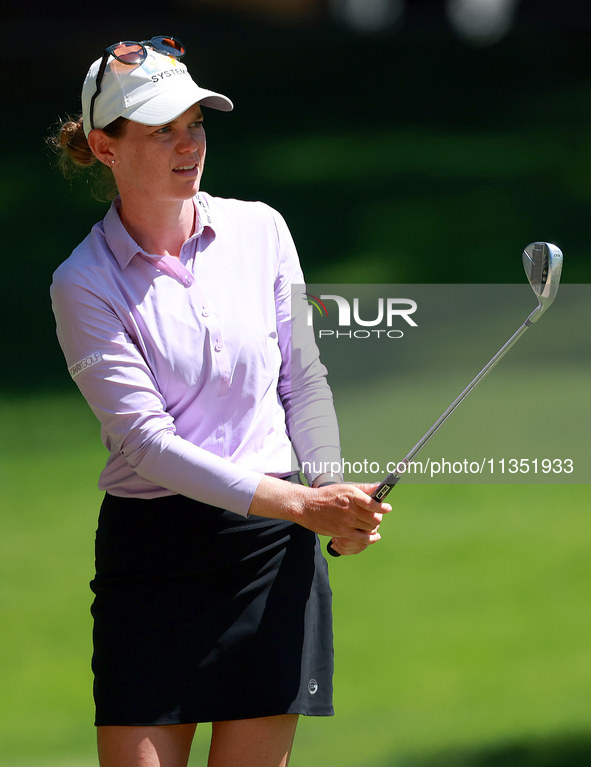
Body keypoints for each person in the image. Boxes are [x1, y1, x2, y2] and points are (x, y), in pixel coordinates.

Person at [49, 36, 391, 767]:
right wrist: (302, 503)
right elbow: (146, 442)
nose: (188, 143)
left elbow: (302, 377)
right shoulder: (82, 281)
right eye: (161, 129)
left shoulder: (260, 229)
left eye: (195, 123)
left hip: (270, 554)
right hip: (155, 554)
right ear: (105, 149)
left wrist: (330, 491)